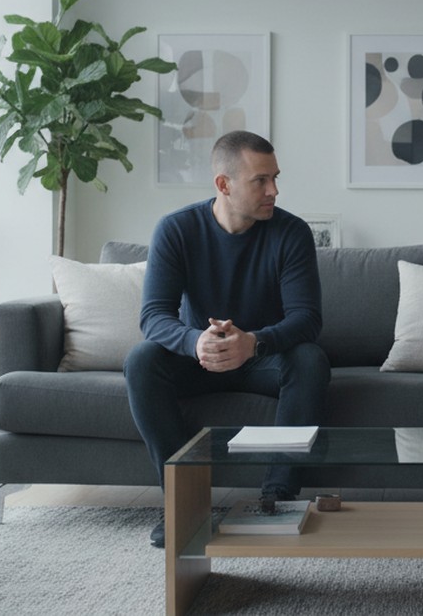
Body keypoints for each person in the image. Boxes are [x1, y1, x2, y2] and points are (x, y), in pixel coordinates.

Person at [124, 130, 330, 548]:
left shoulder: (291, 233)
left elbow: (307, 320)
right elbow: (154, 316)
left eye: (275, 178)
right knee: (142, 360)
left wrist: (253, 342)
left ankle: (277, 499)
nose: (274, 190)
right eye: (261, 180)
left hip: (262, 359)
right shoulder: (176, 230)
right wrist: (195, 341)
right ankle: (183, 503)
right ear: (224, 184)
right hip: (200, 357)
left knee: (310, 359)